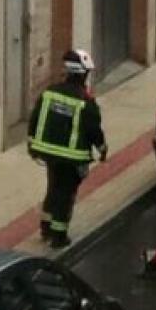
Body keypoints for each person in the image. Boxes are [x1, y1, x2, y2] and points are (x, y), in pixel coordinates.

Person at [27, 49, 108, 249]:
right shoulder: (85, 102)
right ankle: (59, 236)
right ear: (82, 74)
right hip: (71, 158)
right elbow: (93, 129)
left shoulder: (49, 93)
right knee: (65, 195)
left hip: (48, 153)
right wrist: (102, 148)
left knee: (53, 188)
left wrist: (32, 145)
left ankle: (46, 227)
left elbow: (35, 119)